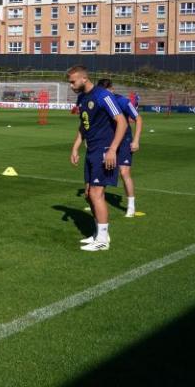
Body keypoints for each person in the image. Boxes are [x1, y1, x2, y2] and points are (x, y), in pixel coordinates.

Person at [68, 65, 127, 252]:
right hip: (91, 150)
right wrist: (75, 147)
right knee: (88, 195)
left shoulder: (103, 96)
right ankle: (98, 234)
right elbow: (84, 125)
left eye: (73, 81)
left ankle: (102, 240)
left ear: (84, 79)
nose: (71, 86)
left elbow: (122, 122)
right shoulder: (82, 98)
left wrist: (113, 149)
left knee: (96, 193)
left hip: (104, 150)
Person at [97, 79, 142, 218]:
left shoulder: (122, 101)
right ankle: (98, 201)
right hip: (107, 141)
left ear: (112, 89)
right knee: (103, 171)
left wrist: (136, 140)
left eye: (106, 91)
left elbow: (138, 119)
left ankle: (131, 206)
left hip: (124, 141)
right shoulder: (99, 101)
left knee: (124, 172)